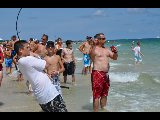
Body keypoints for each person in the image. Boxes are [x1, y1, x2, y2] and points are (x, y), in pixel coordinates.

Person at [14, 40, 67, 112]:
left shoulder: (20, 62)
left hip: (41, 97)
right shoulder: (28, 59)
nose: (30, 49)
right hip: (50, 95)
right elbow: (47, 64)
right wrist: (35, 55)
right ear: (20, 50)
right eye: (27, 47)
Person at [90, 33, 118, 112]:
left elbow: (115, 58)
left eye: (104, 38)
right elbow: (90, 55)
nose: (104, 40)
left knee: (105, 94)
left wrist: (115, 52)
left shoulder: (106, 50)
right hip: (97, 73)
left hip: (106, 74)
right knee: (96, 96)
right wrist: (93, 43)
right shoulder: (94, 49)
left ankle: (103, 110)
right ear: (98, 40)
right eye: (102, 38)